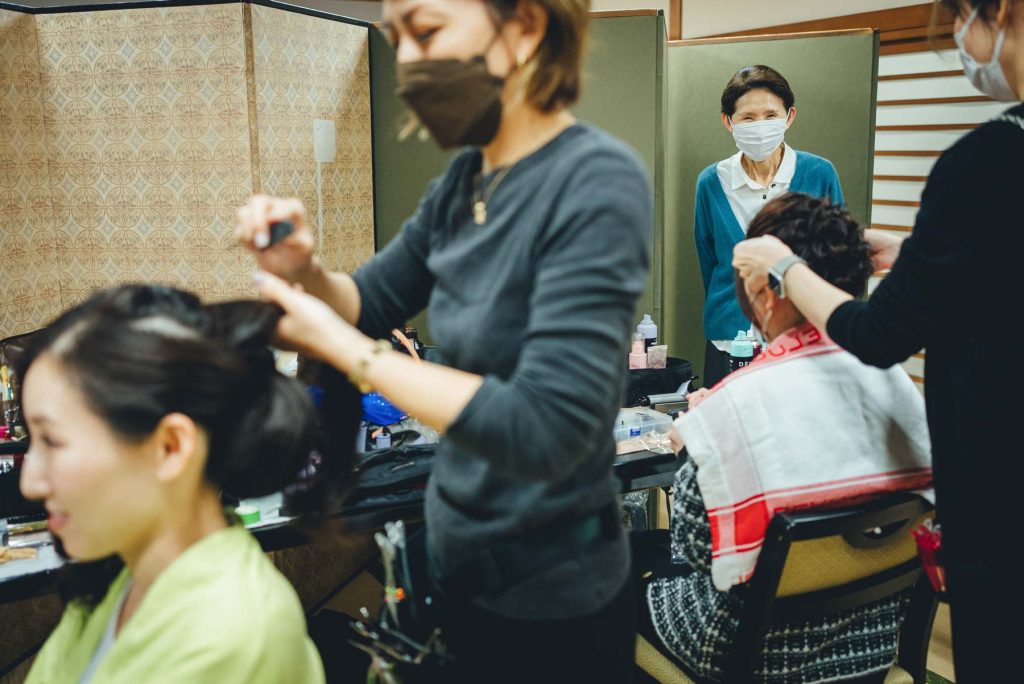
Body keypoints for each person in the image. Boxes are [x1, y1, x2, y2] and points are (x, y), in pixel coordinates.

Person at [235, 0, 651, 680]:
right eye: (395, 38)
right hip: (456, 562)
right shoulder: (463, 184)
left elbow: (545, 425)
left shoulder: (596, 182)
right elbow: (368, 300)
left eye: (425, 31)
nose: (404, 62)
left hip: (552, 601)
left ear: (525, 27)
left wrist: (352, 354)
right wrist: (304, 269)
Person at [733, 2, 1023, 679]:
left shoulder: (989, 160)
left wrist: (783, 264)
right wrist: (923, 257)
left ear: (998, 11)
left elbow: (877, 332)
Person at [639, 194, 932, 682]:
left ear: (764, 287)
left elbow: (695, 551)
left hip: (746, 654)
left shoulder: (735, 406)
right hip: (870, 646)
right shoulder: (897, 384)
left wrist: (698, 443)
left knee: (620, 576)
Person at [17, 285, 357, 684]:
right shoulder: (117, 577)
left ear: (171, 447)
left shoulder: (232, 633)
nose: (29, 483)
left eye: (52, 441)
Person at [696, 65, 844, 388]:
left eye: (770, 115)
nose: (760, 126)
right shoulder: (711, 182)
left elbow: (839, 259)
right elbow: (710, 262)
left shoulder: (819, 174)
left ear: (789, 117)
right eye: (748, 118)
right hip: (726, 342)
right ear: (728, 122)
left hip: (800, 341)